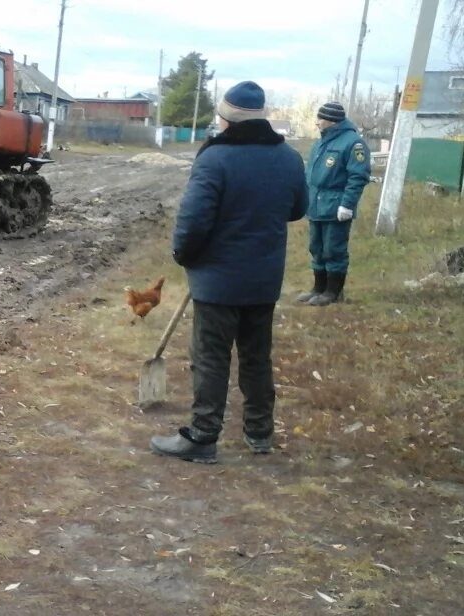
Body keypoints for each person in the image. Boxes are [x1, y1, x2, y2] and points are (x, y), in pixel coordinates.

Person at [150, 81, 308, 464]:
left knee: (211, 358)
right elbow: (297, 209)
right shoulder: (288, 158)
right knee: (257, 357)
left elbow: (194, 219)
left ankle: (203, 437)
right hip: (263, 281)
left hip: (218, 282)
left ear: (226, 119)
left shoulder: (215, 159)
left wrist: (183, 254)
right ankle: (259, 433)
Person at [296, 102, 371, 306]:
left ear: (331, 120)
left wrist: (347, 204)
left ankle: (333, 292)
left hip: (336, 206)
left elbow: (358, 176)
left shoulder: (353, 143)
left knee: (333, 249)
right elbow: (309, 175)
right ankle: (318, 288)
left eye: (320, 118)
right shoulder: (320, 143)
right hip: (316, 205)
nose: (317, 122)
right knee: (316, 248)